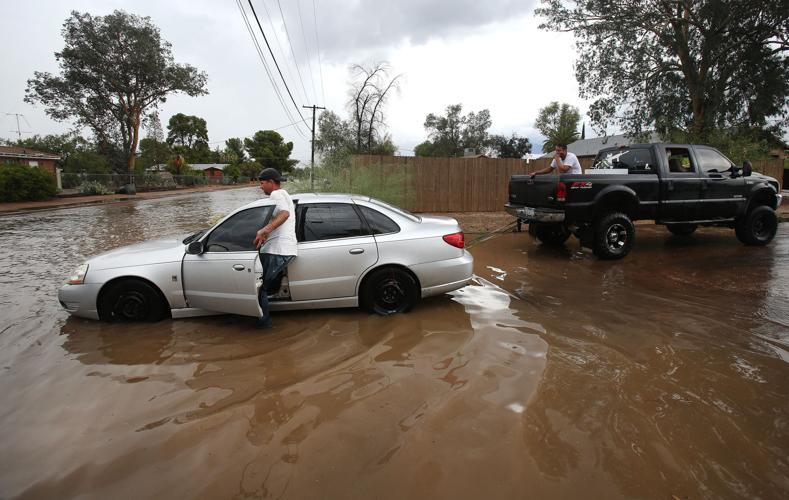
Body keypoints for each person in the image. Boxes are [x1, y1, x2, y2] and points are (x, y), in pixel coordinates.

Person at [252, 167, 297, 329]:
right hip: (284, 248)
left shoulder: (276, 194)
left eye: (262, 183)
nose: (260, 186)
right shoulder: (285, 195)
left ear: (271, 182)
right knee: (263, 286)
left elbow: (284, 214)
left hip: (278, 250)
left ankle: (264, 326)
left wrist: (265, 230)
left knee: (258, 288)